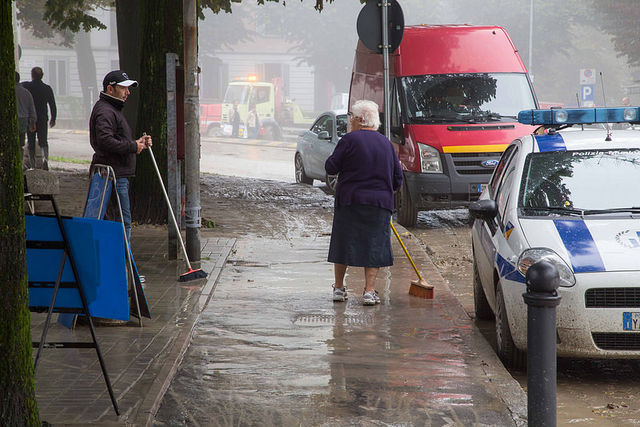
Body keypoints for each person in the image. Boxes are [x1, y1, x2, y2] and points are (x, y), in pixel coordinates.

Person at [325, 100, 404, 306]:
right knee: (373, 246)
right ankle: (369, 292)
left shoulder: (348, 140)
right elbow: (398, 179)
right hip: (379, 204)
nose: (350, 120)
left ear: (360, 120)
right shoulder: (387, 144)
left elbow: (331, 167)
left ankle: (339, 289)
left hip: (350, 202)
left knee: (343, 243)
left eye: (351, 116)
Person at [89, 70, 152, 242]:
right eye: (124, 88)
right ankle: (121, 264)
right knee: (121, 223)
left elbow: (114, 140)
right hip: (114, 176)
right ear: (110, 89)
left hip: (117, 174)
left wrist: (137, 143)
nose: (128, 92)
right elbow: (104, 141)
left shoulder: (111, 109)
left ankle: (119, 263)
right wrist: (133, 146)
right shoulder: (106, 111)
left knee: (118, 221)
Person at [22, 66, 57, 170]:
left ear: (32, 75)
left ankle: (32, 165)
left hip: (31, 119)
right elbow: (52, 105)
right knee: (43, 141)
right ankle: (45, 160)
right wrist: (53, 118)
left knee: (31, 141)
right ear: (42, 76)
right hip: (42, 118)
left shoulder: (27, 86)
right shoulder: (47, 88)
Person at [15, 71, 36, 168]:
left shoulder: (6, 91)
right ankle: (19, 162)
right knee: (20, 144)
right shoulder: (26, 93)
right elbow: (31, 108)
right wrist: (32, 122)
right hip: (23, 121)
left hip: (10, 120)